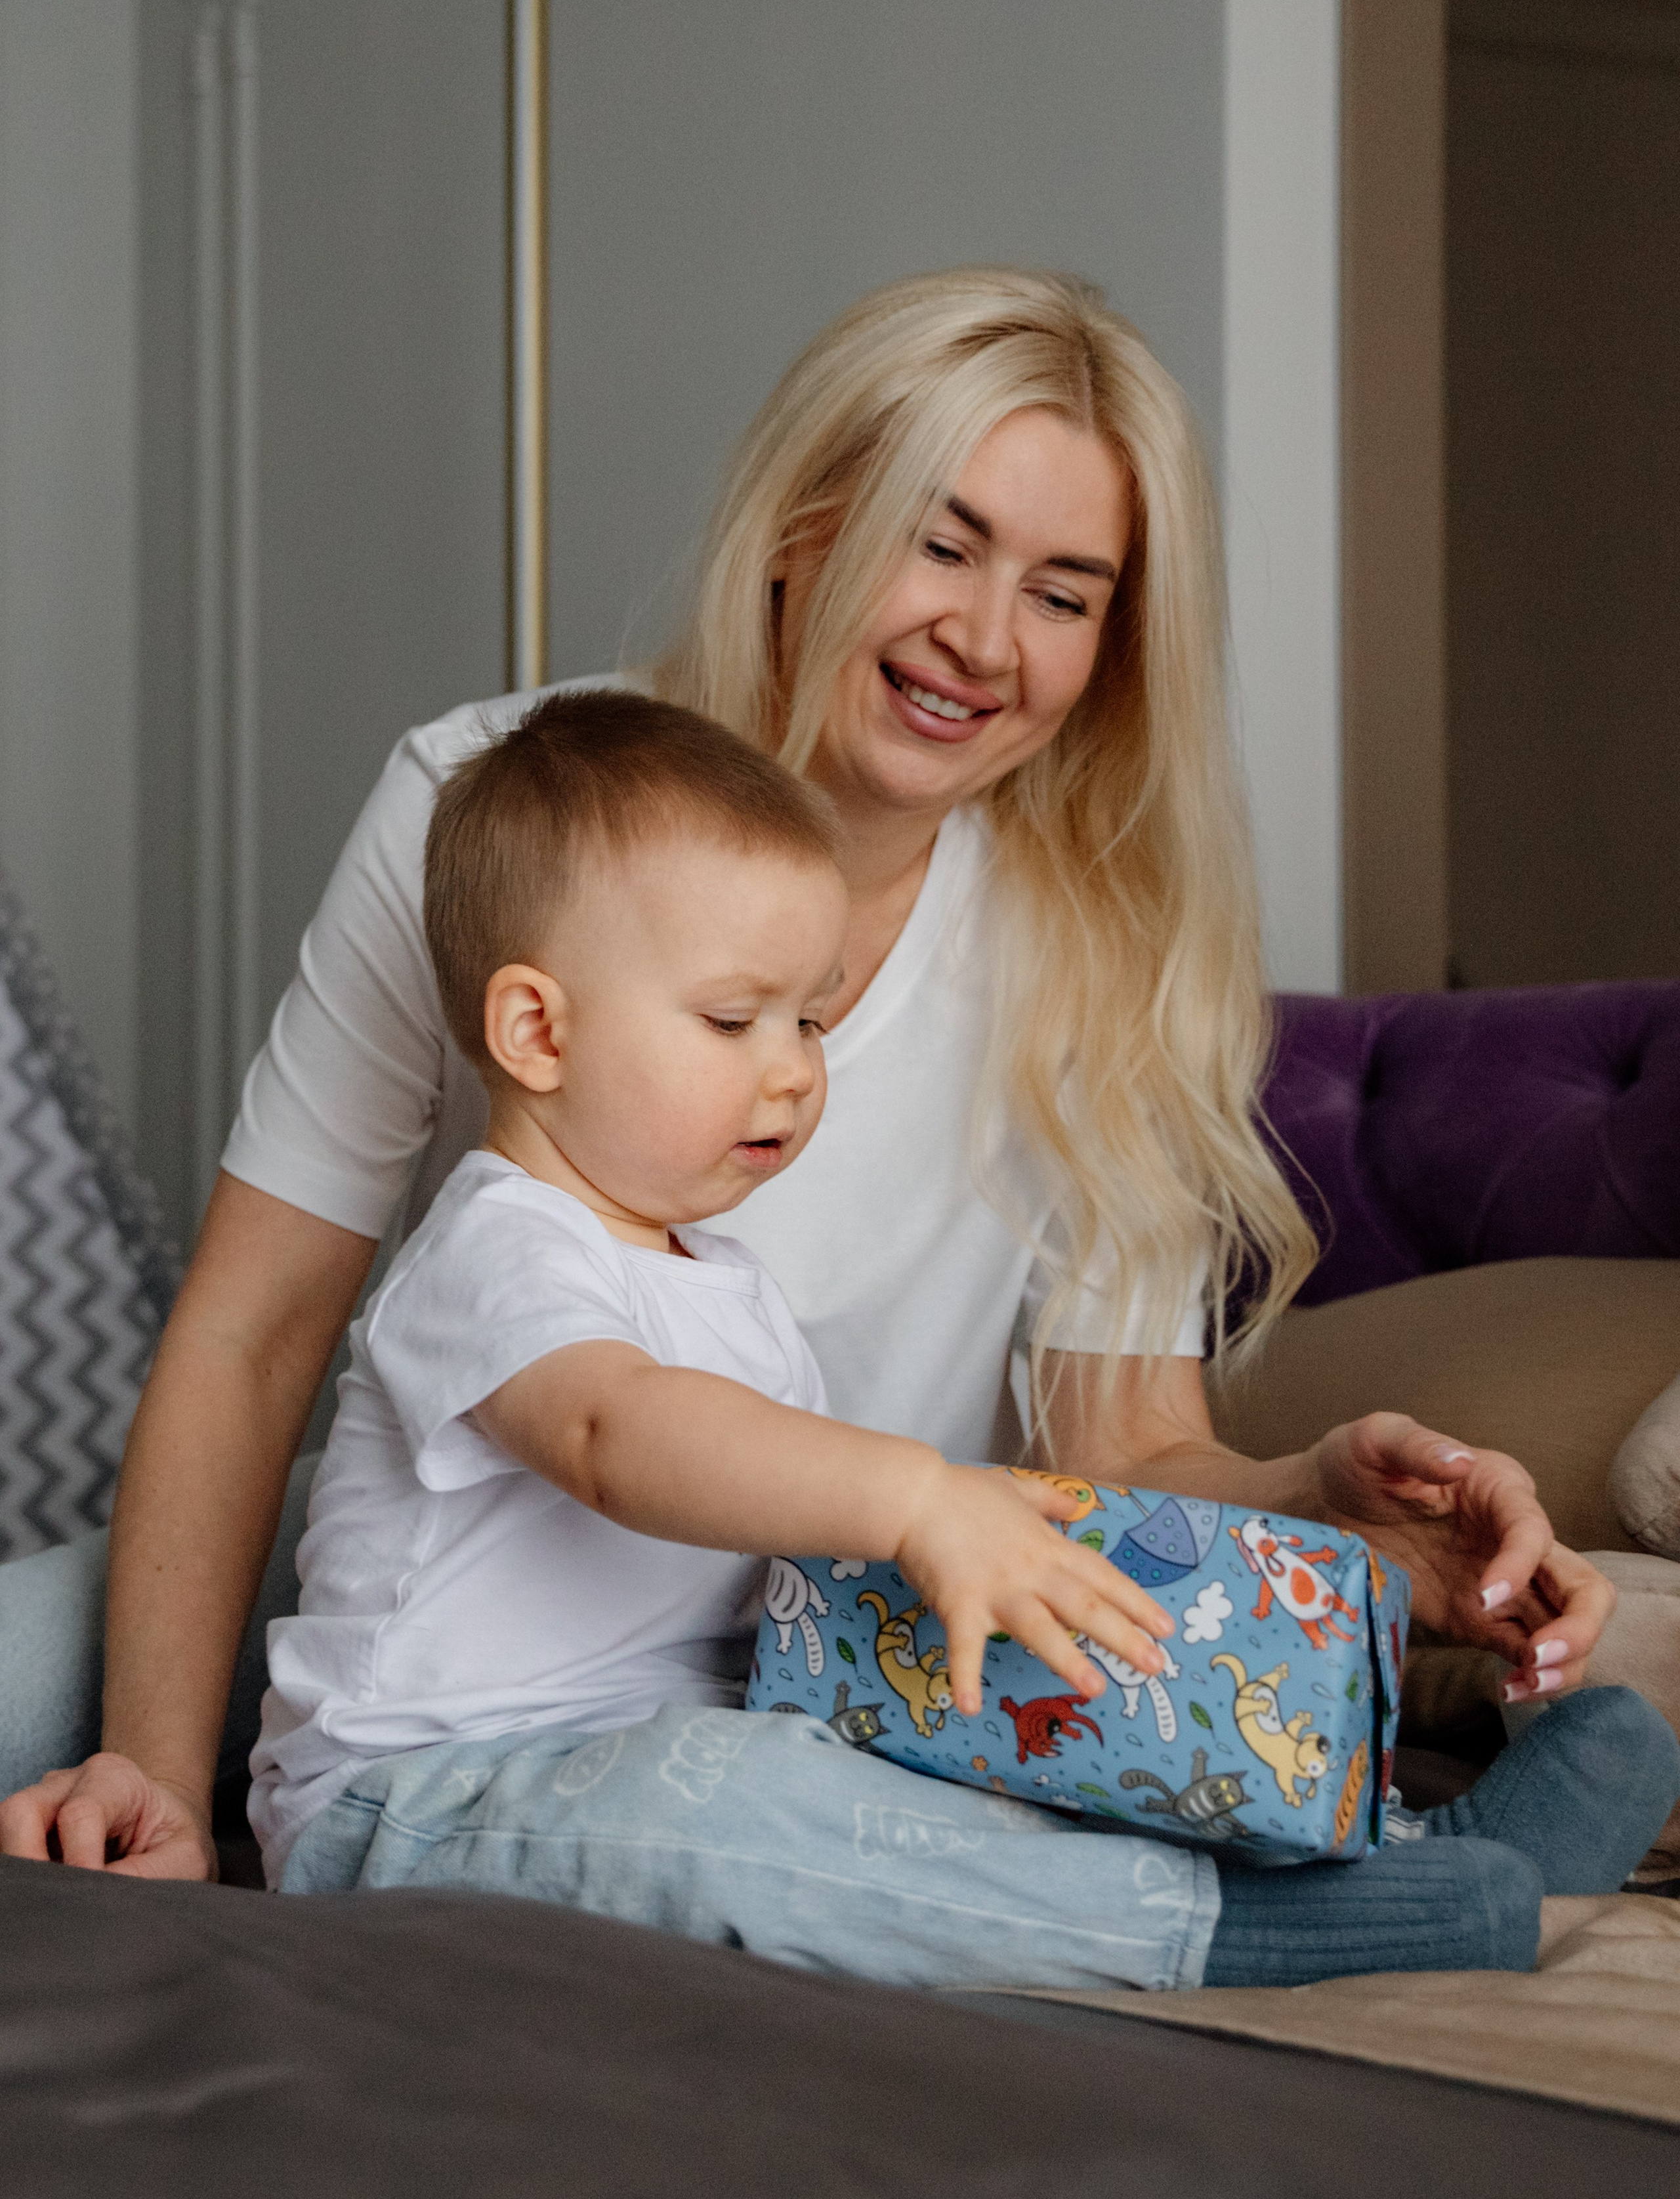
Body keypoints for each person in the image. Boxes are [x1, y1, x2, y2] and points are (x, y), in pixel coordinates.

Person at [0, 268, 1621, 1886]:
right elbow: (255, 1326)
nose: (982, 640)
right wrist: (151, 1769)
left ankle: (1404, 1875)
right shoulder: (476, 801)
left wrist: (1315, 1506)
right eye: (940, 543)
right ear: (802, 528)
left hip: (782, 1658)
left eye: (1062, 596)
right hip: (441, 1580)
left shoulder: (1100, 953)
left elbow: (1120, 1458)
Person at [257, 689, 1677, 1990]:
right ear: (536, 1030)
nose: (791, 1072)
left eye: (810, 1022)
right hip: (425, 1803)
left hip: (685, 1739)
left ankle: (1397, 1848)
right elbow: (613, 1433)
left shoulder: (724, 1282)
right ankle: (1238, 1933)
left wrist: (1178, 1565)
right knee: (754, 1809)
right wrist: (918, 1499)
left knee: (976, 1709)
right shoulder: (496, 1246)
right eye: (733, 1020)